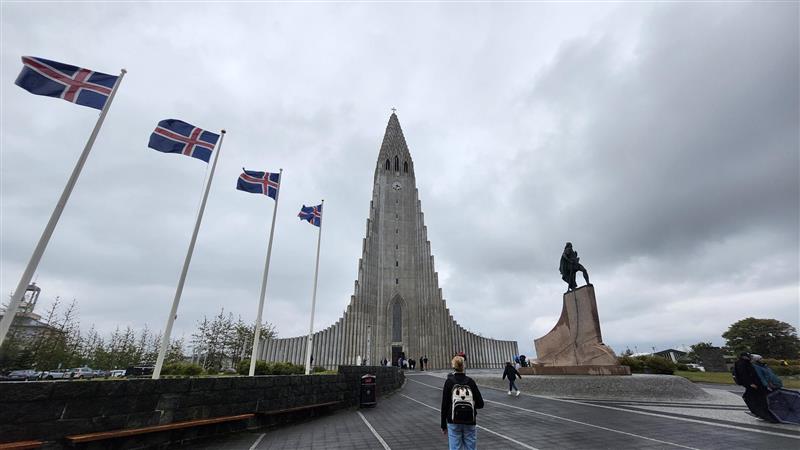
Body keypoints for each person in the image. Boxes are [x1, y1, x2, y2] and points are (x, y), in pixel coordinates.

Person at [441, 355, 484, 450]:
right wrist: (470, 406)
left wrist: (443, 425)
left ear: (453, 366)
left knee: (455, 447)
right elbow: (481, 404)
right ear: (463, 366)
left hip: (453, 420)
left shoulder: (449, 382)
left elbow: (444, 405)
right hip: (470, 420)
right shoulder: (470, 382)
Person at [733, 352, 777, 423]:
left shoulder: (747, 363)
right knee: (759, 399)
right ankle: (763, 414)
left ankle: (763, 414)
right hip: (754, 385)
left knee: (759, 398)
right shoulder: (742, 364)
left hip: (756, 384)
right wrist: (750, 383)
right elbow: (744, 374)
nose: (749, 357)